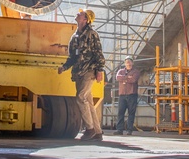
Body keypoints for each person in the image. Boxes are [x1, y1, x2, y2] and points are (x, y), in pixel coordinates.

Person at [58, 8, 105, 141]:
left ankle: (89, 129)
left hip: (89, 71)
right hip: (78, 72)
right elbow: (72, 57)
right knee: (88, 102)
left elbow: (98, 53)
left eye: (81, 13)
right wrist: (64, 67)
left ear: (86, 19)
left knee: (80, 97)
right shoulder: (75, 36)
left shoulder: (92, 34)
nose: (78, 14)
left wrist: (100, 70)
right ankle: (97, 132)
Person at [114, 56, 140, 135]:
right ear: (124, 63)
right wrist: (127, 77)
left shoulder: (136, 72)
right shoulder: (120, 71)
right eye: (126, 62)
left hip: (132, 94)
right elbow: (117, 78)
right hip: (122, 95)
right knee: (120, 112)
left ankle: (129, 130)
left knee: (131, 113)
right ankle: (119, 130)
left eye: (129, 61)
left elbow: (133, 80)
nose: (128, 63)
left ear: (132, 63)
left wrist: (124, 79)